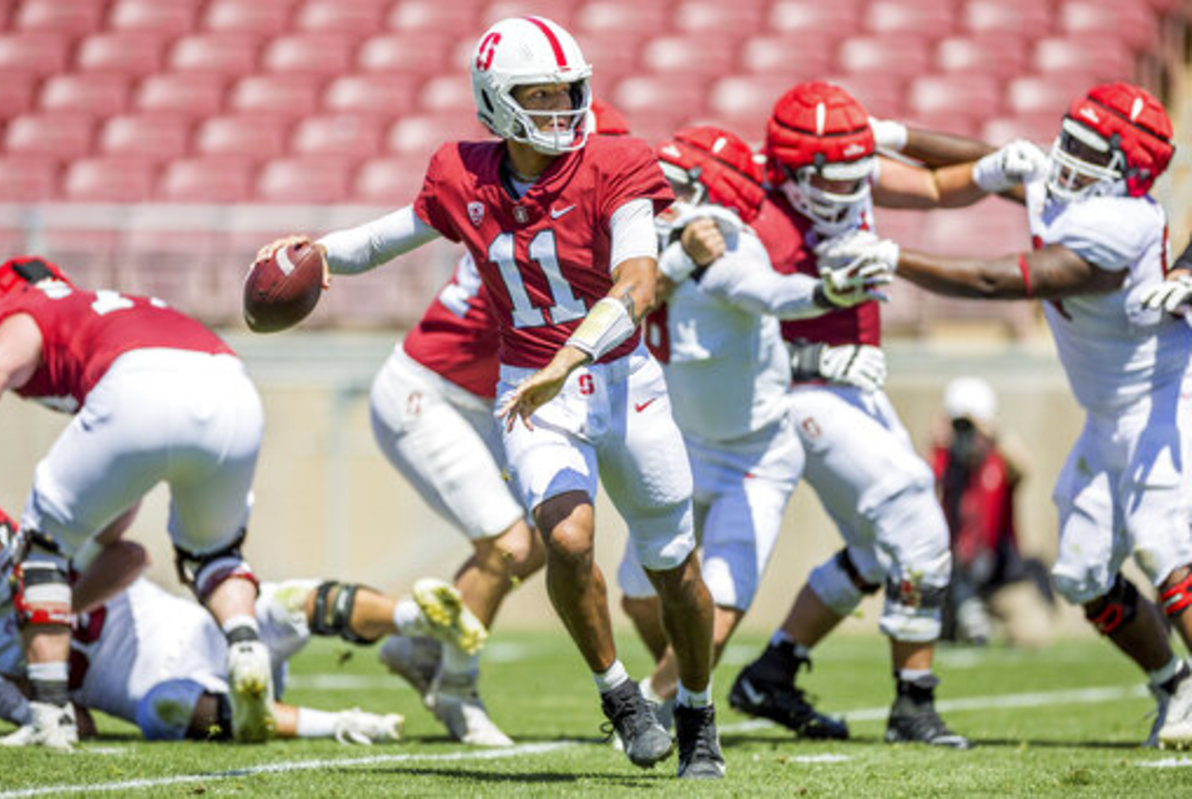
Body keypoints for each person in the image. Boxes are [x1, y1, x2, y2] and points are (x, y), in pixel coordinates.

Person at [253, 16, 722, 778]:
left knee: (677, 571)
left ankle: (699, 710)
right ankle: (619, 696)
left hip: (624, 382)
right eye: (539, 96)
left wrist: (570, 356)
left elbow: (637, 283)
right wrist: (315, 252)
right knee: (565, 542)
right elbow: (391, 236)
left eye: (568, 93)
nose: (561, 110)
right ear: (497, 101)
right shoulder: (462, 173)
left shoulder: (618, 163)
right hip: (533, 390)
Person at [818, 81, 1192, 748]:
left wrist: (901, 259)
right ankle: (1173, 680)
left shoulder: (1121, 225)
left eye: (1087, 149)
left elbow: (1006, 279)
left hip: (1163, 403)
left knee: (1166, 550)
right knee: (1081, 573)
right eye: (1069, 137)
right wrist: (887, 134)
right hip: (1107, 413)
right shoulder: (1082, 188)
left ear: (1127, 171)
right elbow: (994, 162)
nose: (1066, 156)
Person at [723, 81, 1032, 749]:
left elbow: (932, 189)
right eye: (830, 179)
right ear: (790, 169)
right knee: (915, 514)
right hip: (800, 393)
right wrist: (814, 363)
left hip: (855, 386)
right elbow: (725, 333)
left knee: (871, 548)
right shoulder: (755, 218)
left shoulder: (844, 177)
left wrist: (989, 171)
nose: (847, 192)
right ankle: (913, 705)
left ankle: (771, 673)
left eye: (854, 175)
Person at [370, 97, 632, 748]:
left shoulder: (564, 222)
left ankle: (415, 645)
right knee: (512, 544)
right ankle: (455, 690)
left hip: (494, 400)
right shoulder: (538, 242)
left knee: (541, 536)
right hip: (429, 395)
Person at [612, 125, 891, 721]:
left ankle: (662, 701)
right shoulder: (659, 250)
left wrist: (827, 293)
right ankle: (687, 682)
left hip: (754, 456)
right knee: (638, 597)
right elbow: (629, 296)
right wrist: (679, 257)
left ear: (715, 195)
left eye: (677, 187)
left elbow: (771, 292)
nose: (661, 199)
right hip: (683, 443)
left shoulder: (731, 253)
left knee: (720, 594)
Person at [0, 257, 275, 748]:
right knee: (212, 554)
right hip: (233, 386)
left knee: (42, 547)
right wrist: (100, 533)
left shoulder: (23, 310)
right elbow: (114, 500)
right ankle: (246, 645)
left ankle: (50, 714)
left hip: (137, 384)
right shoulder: (97, 308)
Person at [0, 502, 469, 744]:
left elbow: (131, 556)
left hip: (205, 630)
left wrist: (55, 610)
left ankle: (418, 619)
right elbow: (80, 725)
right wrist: (13, 699)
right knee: (165, 710)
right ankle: (344, 724)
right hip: (161, 689)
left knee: (282, 602)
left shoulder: (47, 556)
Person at [932, 377, 1054, 648]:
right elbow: (922, 491)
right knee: (924, 633)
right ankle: (962, 622)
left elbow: (1024, 467)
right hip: (952, 577)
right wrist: (939, 440)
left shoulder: (1000, 460)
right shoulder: (944, 460)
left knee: (1033, 635)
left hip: (1001, 575)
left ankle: (982, 619)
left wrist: (992, 432)